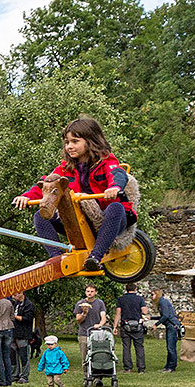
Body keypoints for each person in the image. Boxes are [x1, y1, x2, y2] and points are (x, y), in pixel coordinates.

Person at [13, 116, 135, 272]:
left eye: (75, 141)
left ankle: (95, 257)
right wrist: (27, 196)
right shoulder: (64, 169)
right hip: (81, 221)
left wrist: (114, 187)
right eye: (67, 143)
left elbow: (117, 173)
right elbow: (46, 184)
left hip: (108, 219)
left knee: (116, 207)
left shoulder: (106, 161)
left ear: (90, 141)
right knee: (40, 216)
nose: (69, 146)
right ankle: (57, 258)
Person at [114, 281, 148, 373]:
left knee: (126, 347)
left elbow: (118, 313)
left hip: (125, 326)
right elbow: (145, 312)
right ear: (135, 289)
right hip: (137, 325)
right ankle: (141, 368)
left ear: (126, 289)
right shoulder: (139, 299)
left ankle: (127, 368)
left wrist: (115, 326)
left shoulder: (121, 299)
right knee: (139, 347)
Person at [73, 284, 107, 360]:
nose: (89, 293)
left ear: (96, 292)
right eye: (88, 291)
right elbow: (78, 320)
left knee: (97, 355)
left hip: (97, 333)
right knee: (84, 357)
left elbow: (103, 317)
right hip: (84, 333)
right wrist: (84, 313)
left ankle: (96, 371)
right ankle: (86, 372)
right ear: (85, 292)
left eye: (92, 291)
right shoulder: (80, 303)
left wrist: (100, 325)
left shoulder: (100, 303)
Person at [151, 288, 181, 372]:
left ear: (157, 295)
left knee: (171, 347)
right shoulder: (162, 302)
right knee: (169, 347)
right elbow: (164, 316)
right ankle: (168, 366)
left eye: (152, 294)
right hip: (170, 326)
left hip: (172, 326)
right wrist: (151, 318)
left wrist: (156, 325)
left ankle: (171, 367)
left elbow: (166, 316)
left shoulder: (162, 302)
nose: (151, 296)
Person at [10, 290, 35, 385]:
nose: (13, 296)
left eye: (15, 294)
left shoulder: (29, 305)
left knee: (24, 356)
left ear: (22, 294)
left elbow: (27, 319)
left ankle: (24, 376)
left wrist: (15, 316)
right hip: (13, 332)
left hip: (23, 334)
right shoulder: (14, 303)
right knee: (13, 355)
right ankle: (14, 375)